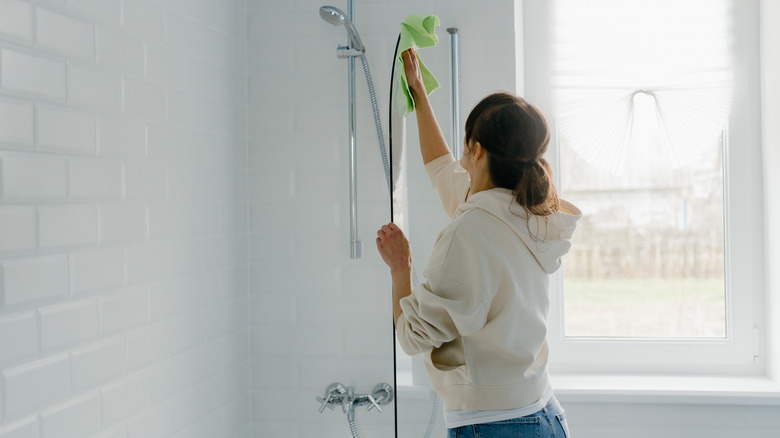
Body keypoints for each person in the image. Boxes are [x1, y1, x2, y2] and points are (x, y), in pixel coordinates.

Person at [375, 48, 582, 438]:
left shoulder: (469, 231)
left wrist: (399, 266)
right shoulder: (529, 212)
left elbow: (411, 335)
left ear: (477, 151)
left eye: (466, 146)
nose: (461, 156)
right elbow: (441, 167)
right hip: (544, 415)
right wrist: (419, 94)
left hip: (494, 427)